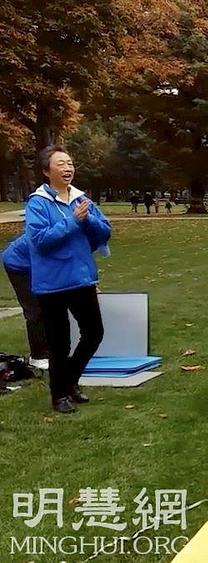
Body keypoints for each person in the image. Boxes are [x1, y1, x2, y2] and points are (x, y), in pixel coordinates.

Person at [24, 145, 111, 414]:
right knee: (59, 343)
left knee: (94, 333)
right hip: (52, 284)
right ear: (46, 171)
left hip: (81, 278)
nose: (67, 168)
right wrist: (73, 222)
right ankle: (58, 394)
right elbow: (39, 241)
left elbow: (105, 231)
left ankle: (68, 381)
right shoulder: (37, 202)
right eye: (60, 163)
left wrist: (87, 222)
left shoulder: (81, 199)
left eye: (70, 162)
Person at [2, 234, 49, 369]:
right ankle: (38, 356)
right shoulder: (58, 239)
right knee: (35, 309)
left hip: (36, 264)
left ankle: (52, 347)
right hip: (18, 264)